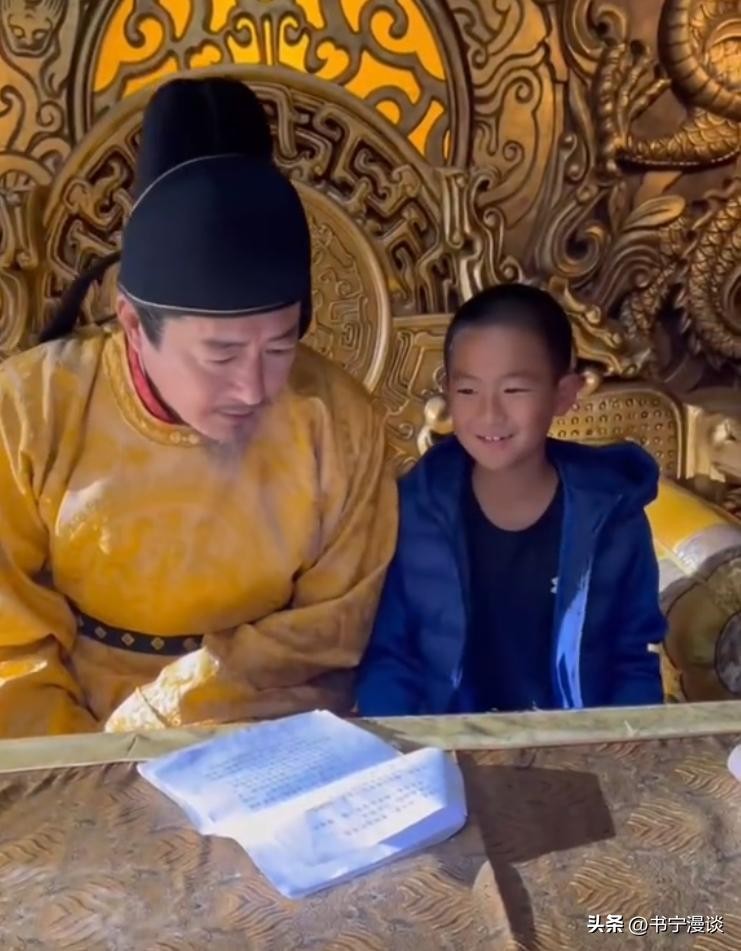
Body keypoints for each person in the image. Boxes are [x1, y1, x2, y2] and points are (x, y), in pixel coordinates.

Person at [0, 76, 397, 739]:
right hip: (66, 719)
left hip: (262, 726)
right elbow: (8, 647)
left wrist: (170, 713)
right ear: (133, 323)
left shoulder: (337, 422)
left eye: (279, 346)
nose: (254, 387)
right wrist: (84, 758)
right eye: (221, 354)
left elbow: (329, 630)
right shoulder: (29, 409)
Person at [356, 283, 666, 716]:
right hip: (446, 743)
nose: (489, 415)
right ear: (447, 390)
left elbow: (632, 657)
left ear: (564, 394)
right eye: (468, 391)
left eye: (514, 391)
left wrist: (618, 747)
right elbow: (391, 657)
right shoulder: (414, 511)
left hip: (578, 741)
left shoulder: (611, 514)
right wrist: (409, 745)